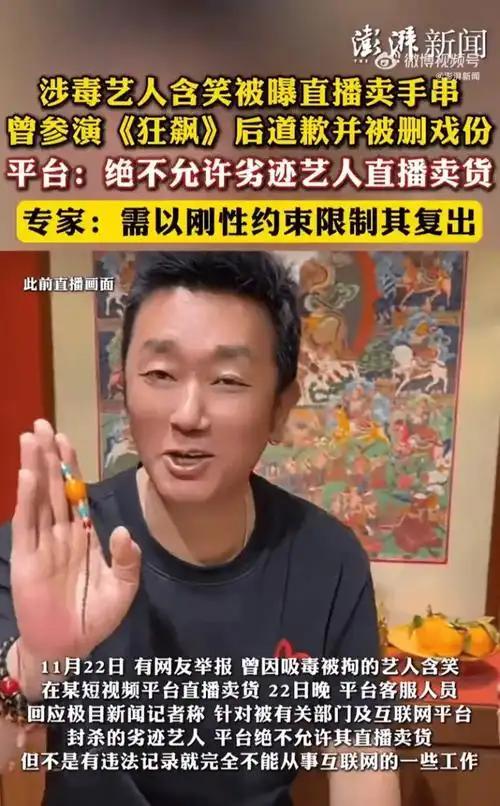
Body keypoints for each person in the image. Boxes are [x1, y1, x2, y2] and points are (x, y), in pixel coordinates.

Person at [0, 252, 400, 805]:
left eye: (228, 380)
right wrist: (37, 661)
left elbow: (362, 760)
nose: (188, 414)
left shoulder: (327, 559)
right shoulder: (56, 547)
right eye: (160, 374)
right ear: (123, 387)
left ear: (280, 408)